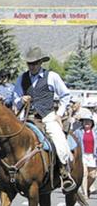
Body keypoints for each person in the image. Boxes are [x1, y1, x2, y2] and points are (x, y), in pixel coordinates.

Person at [12, 47, 76, 191]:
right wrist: (22, 99)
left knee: (59, 140)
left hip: (47, 116)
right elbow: (15, 98)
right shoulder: (22, 78)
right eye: (30, 64)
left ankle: (64, 173)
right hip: (27, 117)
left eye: (35, 63)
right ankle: (1, 177)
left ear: (41, 62)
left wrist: (59, 114)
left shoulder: (52, 76)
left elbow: (65, 95)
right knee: (6, 141)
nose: (32, 66)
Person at [74, 108, 97, 198]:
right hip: (82, 155)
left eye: (89, 121)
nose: (87, 123)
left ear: (92, 123)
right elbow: (72, 139)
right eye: (85, 121)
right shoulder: (78, 131)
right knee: (84, 174)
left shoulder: (95, 132)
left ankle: (87, 188)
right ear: (82, 123)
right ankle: (85, 194)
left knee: (93, 175)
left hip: (92, 155)